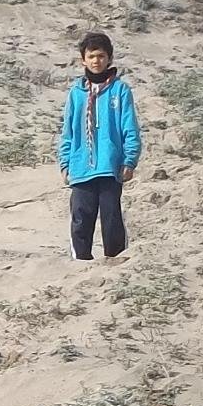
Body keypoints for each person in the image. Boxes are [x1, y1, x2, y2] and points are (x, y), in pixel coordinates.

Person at [58, 31, 141, 261]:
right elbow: (68, 131)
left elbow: (130, 127)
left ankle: (116, 262)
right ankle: (80, 262)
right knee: (81, 217)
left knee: (111, 217)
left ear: (110, 59)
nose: (97, 61)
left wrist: (129, 159)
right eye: (92, 56)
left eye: (102, 56)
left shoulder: (120, 90)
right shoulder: (76, 93)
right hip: (81, 167)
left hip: (110, 166)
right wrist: (65, 163)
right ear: (83, 60)